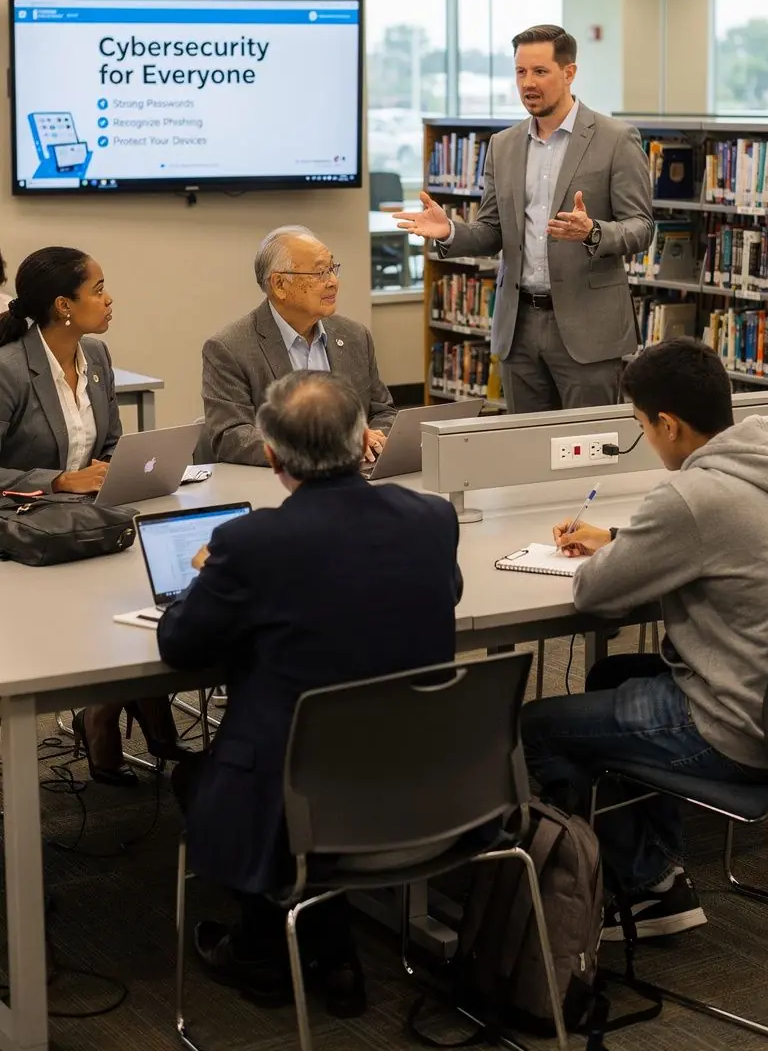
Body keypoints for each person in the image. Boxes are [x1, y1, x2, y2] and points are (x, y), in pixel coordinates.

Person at [158, 370, 462, 1016]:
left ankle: (266, 953)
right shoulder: (433, 517)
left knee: (197, 776)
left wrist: (205, 583)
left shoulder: (248, 544)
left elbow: (179, 646)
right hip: (428, 776)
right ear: (362, 442)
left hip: (298, 790)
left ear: (271, 456)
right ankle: (333, 952)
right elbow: (444, 597)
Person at [521, 338, 768, 940]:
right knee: (611, 679)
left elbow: (595, 596)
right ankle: (658, 871)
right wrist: (626, 537)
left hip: (737, 729)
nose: (645, 440)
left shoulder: (689, 496)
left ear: (668, 424)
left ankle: (644, 886)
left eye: (640, 427)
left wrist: (621, 549)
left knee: (535, 728)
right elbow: (721, 537)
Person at [397, 24, 653, 413]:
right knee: (528, 453)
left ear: (569, 73)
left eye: (540, 72)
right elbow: (491, 231)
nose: (528, 83)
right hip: (518, 328)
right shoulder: (504, 145)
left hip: (588, 328)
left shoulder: (615, 138)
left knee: (588, 448)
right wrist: (450, 230)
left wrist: (594, 232)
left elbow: (641, 227)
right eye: (520, 72)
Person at [0, 246, 180, 785]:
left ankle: (108, 708)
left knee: (154, 592)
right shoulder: (8, 370)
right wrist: (55, 481)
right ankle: (114, 711)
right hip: (30, 535)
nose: (109, 298)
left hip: (93, 523)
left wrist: (124, 470)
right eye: (98, 288)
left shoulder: (96, 356)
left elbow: (111, 444)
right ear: (63, 305)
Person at [202, 225, 395, 466]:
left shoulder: (355, 336)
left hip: (356, 478)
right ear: (280, 285)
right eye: (320, 274)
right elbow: (231, 437)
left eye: (332, 269)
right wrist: (329, 449)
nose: (333, 282)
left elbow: (382, 412)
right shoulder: (229, 348)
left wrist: (374, 441)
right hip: (279, 484)